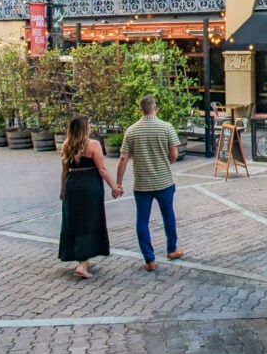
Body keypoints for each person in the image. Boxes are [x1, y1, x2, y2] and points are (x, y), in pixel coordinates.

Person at [116, 94, 183, 271]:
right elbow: (174, 154)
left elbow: (123, 157)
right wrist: (166, 161)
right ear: (156, 109)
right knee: (168, 214)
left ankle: (149, 259)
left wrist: (118, 182)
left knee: (142, 220)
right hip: (164, 181)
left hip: (142, 183)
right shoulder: (166, 127)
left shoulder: (131, 130)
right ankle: (171, 249)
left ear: (140, 110)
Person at [59, 114, 123, 279]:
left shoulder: (66, 145)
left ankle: (83, 259)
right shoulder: (93, 145)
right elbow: (102, 169)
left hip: (72, 184)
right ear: (84, 128)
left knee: (75, 221)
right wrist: (114, 187)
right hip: (90, 185)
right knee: (90, 221)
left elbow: (64, 171)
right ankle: (82, 263)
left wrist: (62, 189)